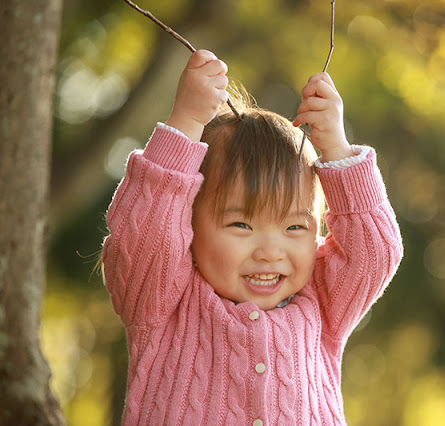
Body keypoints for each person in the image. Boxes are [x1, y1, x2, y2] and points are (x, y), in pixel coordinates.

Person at [102, 49, 403, 425]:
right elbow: (142, 236)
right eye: (241, 225)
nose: (270, 251)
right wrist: (186, 122)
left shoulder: (322, 301)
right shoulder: (164, 300)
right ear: (188, 225)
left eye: (295, 227)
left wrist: (337, 150)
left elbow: (375, 254)